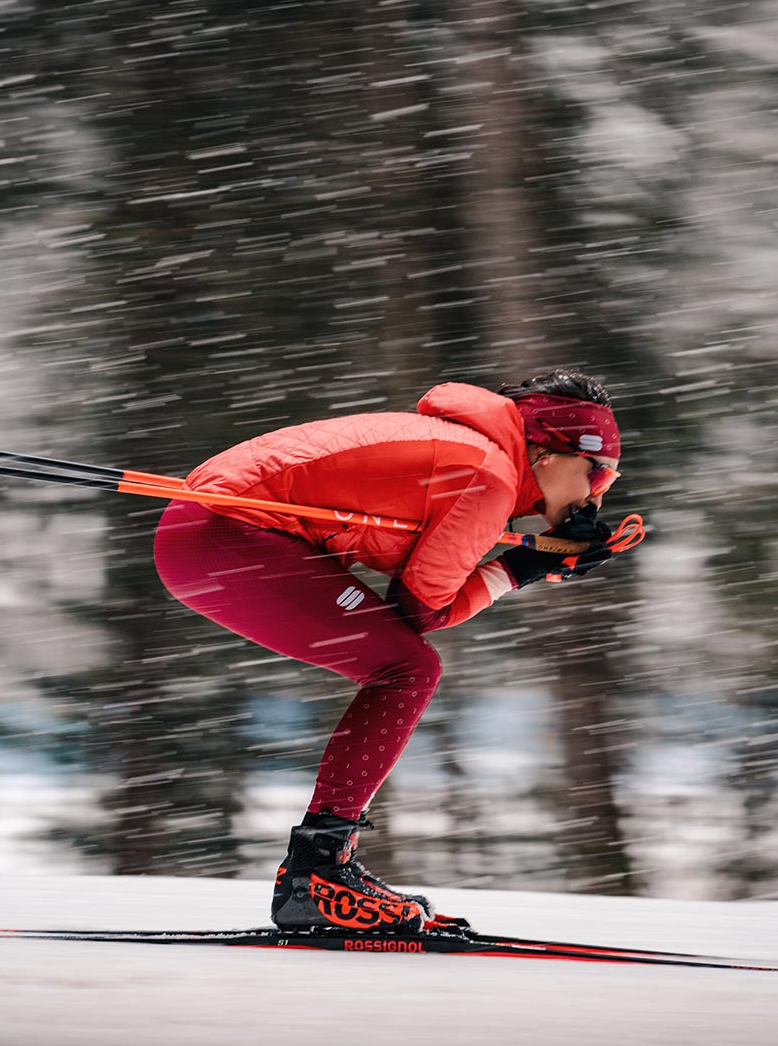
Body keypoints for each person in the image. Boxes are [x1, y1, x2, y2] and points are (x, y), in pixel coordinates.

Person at [153, 368, 623, 933]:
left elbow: (408, 601)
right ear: (548, 452)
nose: (598, 492)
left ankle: (321, 867)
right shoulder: (488, 474)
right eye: (597, 472)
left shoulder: (472, 453)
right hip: (226, 535)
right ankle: (318, 873)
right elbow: (422, 612)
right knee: (407, 669)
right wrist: (515, 571)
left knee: (402, 664)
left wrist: (525, 560)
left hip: (210, 529)